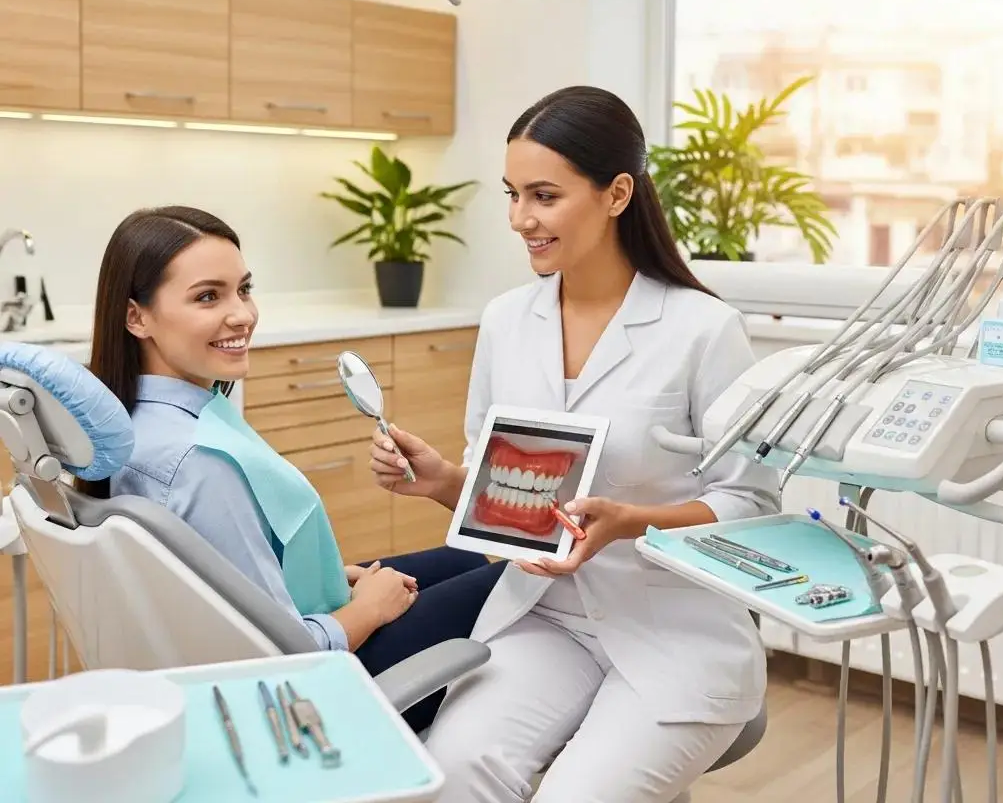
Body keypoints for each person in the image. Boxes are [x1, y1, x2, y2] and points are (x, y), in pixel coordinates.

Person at [369, 86, 781, 802]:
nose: (520, 219)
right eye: (513, 194)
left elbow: (753, 503)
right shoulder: (505, 320)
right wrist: (442, 481)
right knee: (454, 774)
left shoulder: (703, 330)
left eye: (544, 196)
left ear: (616, 193)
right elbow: (501, 487)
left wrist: (631, 522)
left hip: (673, 632)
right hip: (544, 617)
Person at [83, 205, 505, 732]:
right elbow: (284, 653)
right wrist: (368, 609)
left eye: (244, 288)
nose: (242, 315)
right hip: (305, 693)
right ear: (136, 317)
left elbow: (223, 575)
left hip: (241, 642)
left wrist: (330, 577)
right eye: (208, 296)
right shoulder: (200, 464)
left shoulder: (137, 425)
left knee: (463, 560)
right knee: (512, 581)